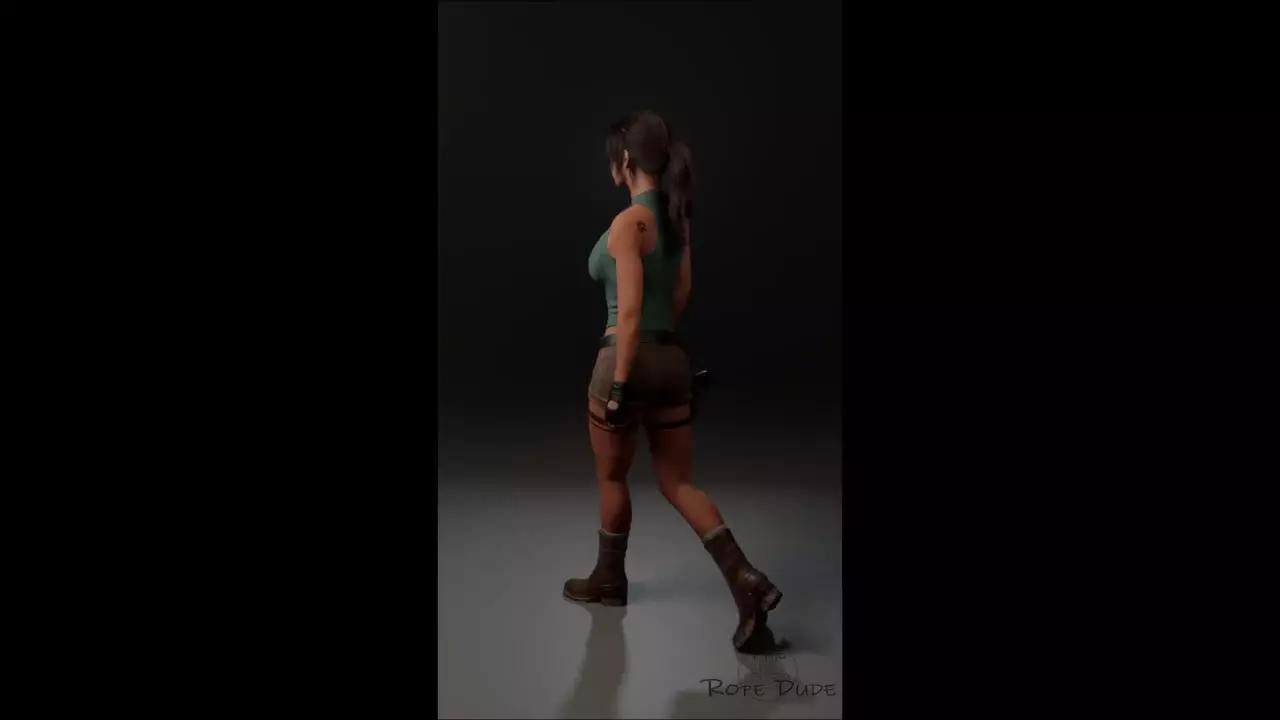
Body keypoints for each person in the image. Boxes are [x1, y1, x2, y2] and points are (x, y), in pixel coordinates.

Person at [562, 111, 783, 653]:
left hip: (624, 356)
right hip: (671, 359)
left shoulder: (628, 224)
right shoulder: (677, 221)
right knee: (678, 482)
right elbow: (681, 294)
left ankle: (609, 579)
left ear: (624, 162)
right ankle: (746, 579)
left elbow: (630, 310)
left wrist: (620, 384)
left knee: (613, 477)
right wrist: (659, 350)